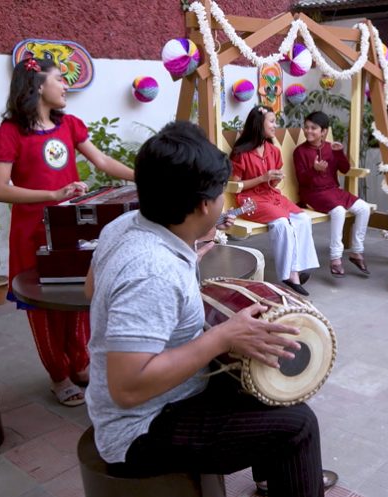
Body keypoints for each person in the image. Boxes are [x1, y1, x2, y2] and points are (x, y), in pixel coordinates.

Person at [84, 121, 324, 496]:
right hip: (140, 429)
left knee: (268, 378)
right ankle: (287, 462)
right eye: (219, 194)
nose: (223, 202)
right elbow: (126, 388)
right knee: (299, 425)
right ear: (202, 205)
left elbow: (92, 288)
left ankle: (277, 472)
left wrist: (183, 260)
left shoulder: (126, 224)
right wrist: (222, 337)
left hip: (161, 397)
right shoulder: (154, 271)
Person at [0, 58, 134, 407]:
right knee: (45, 308)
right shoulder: (9, 134)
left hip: (69, 230)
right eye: (59, 79)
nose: (65, 85)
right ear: (38, 86)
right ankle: (58, 376)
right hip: (32, 235)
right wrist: (52, 194)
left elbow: (103, 162)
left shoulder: (68, 125)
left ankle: (80, 365)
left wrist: (146, 176)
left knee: (77, 298)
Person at [231, 105, 319, 296]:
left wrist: (275, 179)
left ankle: (300, 267)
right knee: (282, 223)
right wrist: (262, 178)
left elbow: (272, 182)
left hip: (272, 196)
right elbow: (235, 185)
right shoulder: (241, 153)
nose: (275, 125)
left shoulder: (273, 150)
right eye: (271, 121)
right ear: (258, 124)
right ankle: (289, 274)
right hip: (251, 200)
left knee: (303, 219)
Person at [293, 111, 371, 278]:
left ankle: (357, 251)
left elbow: (345, 169)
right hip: (312, 193)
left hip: (333, 190)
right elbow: (302, 179)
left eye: (313, 128)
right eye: (306, 127)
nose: (308, 131)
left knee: (364, 208)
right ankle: (335, 258)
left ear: (324, 131)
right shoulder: (300, 151)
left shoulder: (330, 148)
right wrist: (314, 169)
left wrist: (339, 153)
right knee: (339, 211)